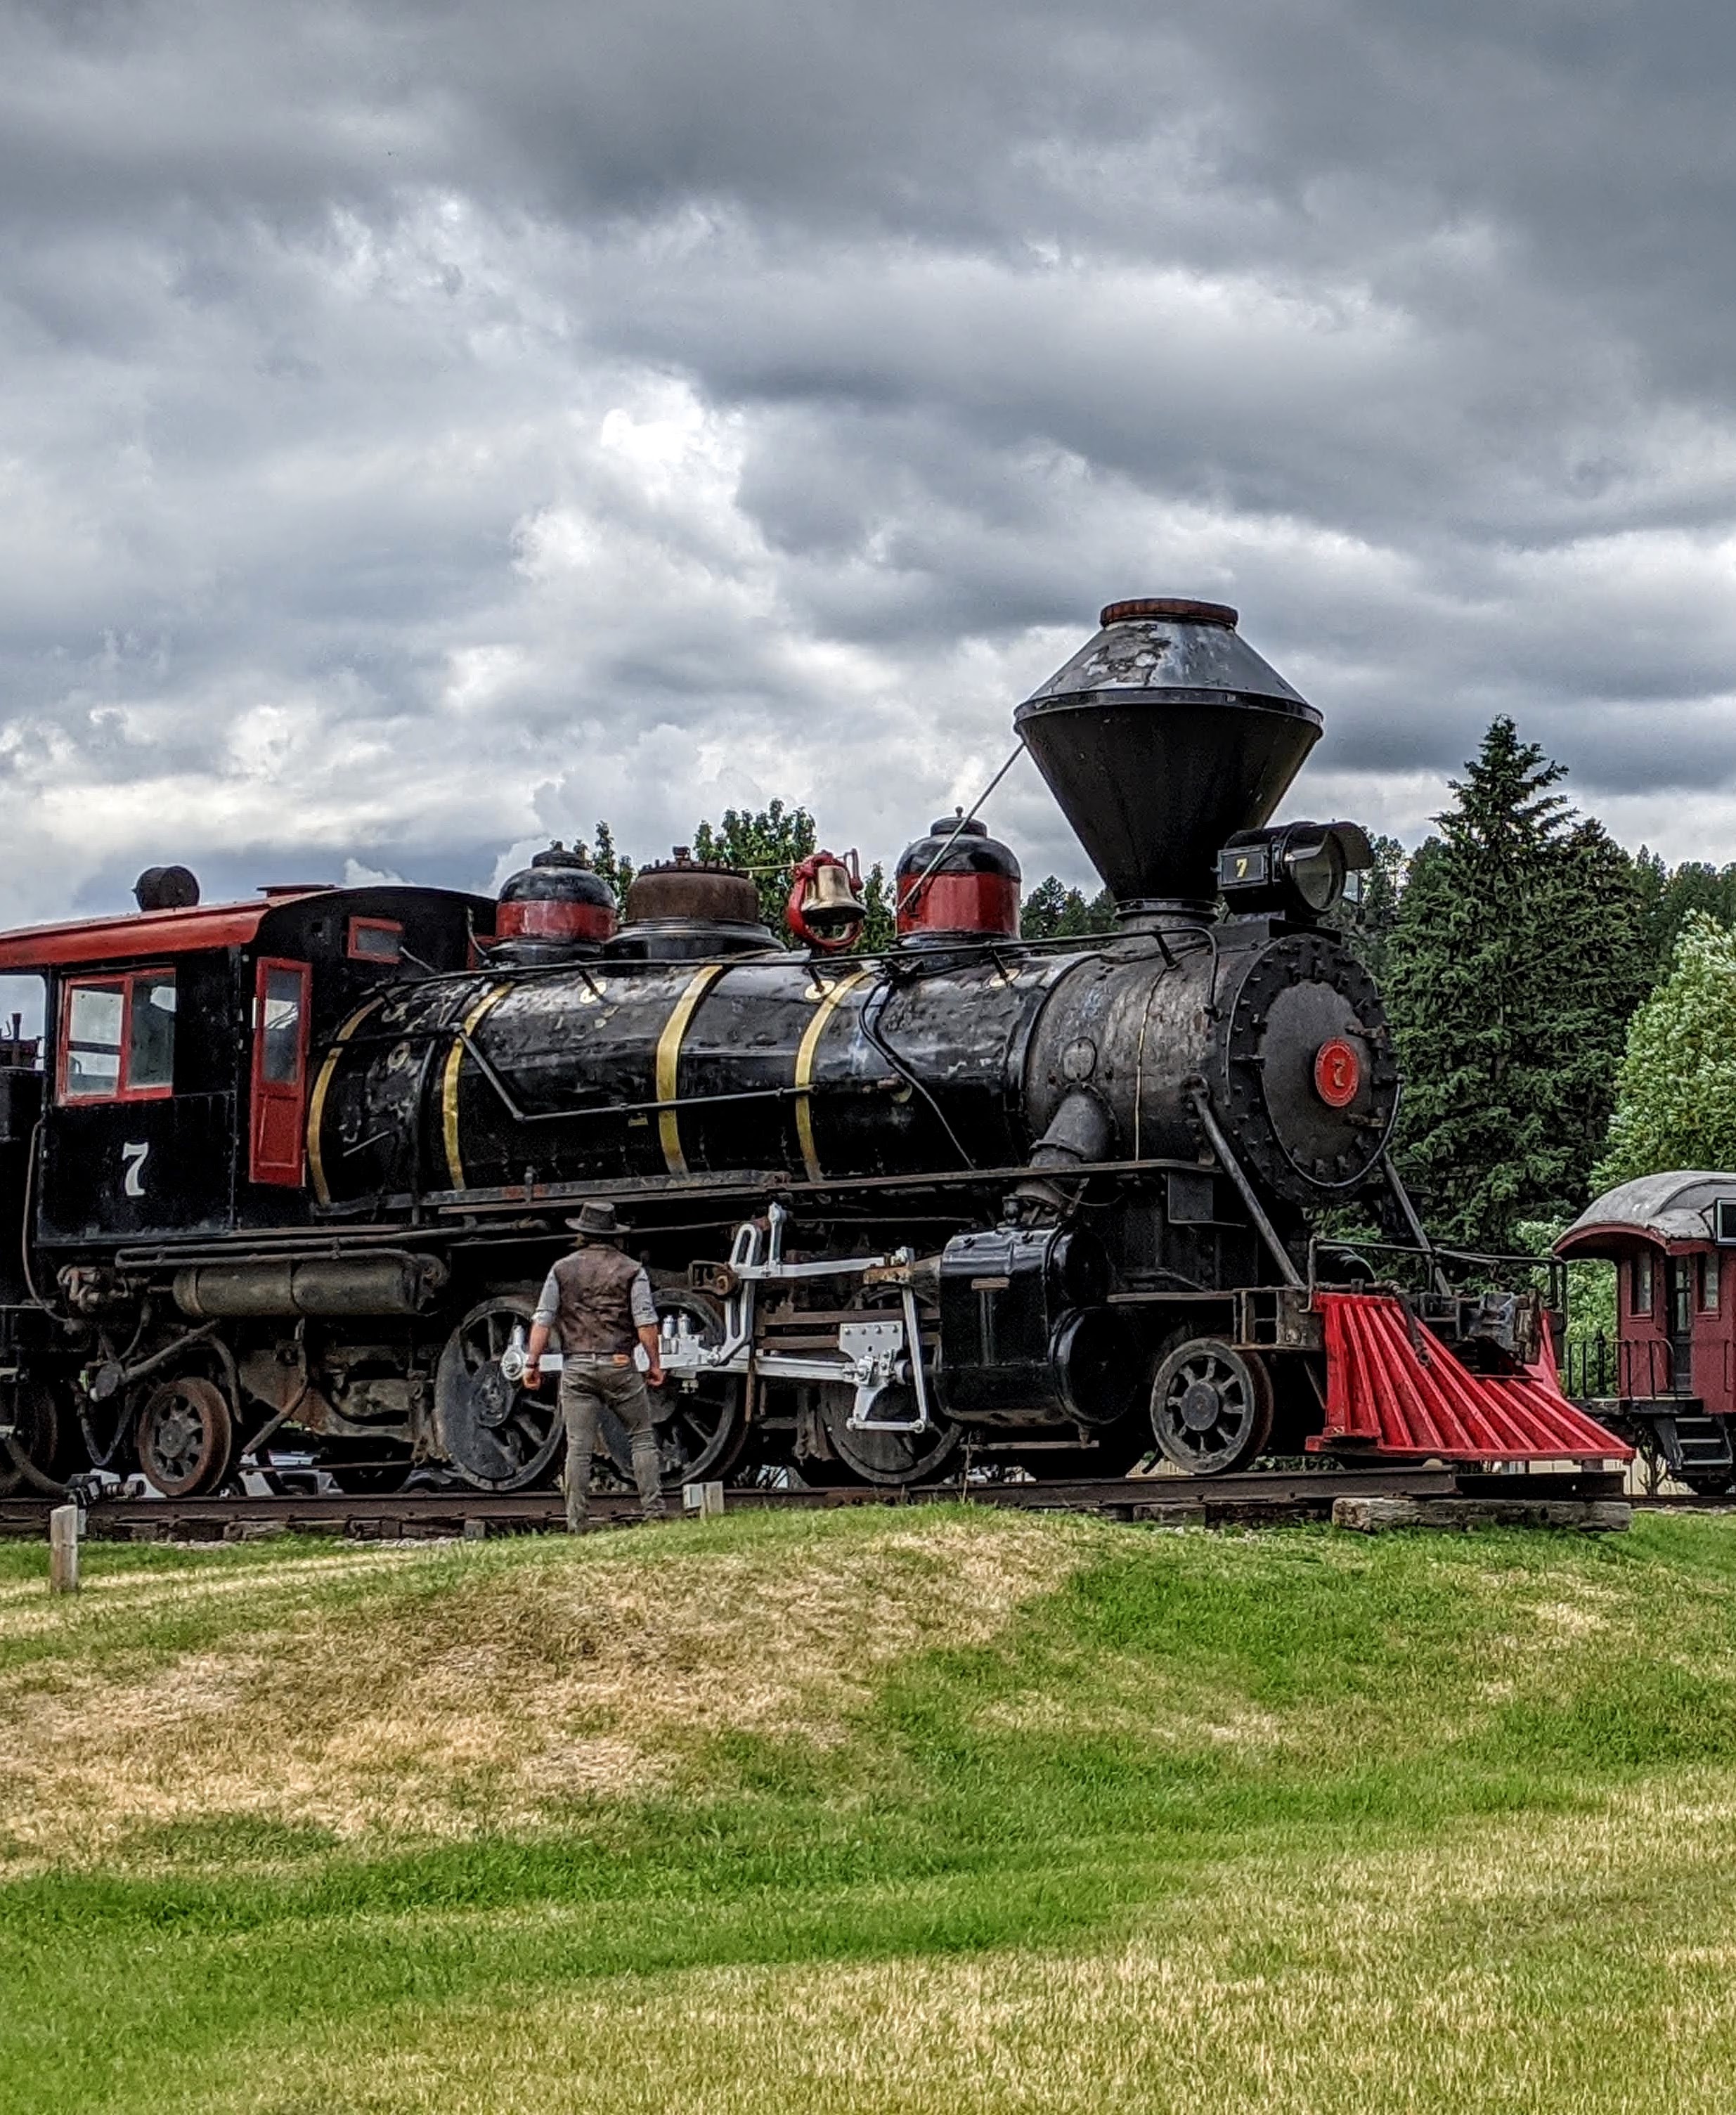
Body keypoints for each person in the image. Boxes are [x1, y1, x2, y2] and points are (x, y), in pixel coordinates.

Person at [522, 1201, 668, 1531]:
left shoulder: (561, 1269)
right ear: (614, 1235)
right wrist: (655, 1363)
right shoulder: (632, 1270)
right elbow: (646, 1322)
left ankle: (577, 1522)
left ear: (582, 1234)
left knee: (579, 1448)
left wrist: (532, 1362)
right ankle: (654, 1514)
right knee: (642, 1437)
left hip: (576, 1369)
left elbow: (543, 1319)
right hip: (619, 1365)